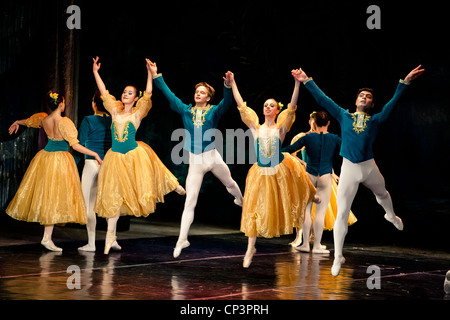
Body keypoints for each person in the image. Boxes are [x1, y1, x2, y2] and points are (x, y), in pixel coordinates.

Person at [293, 65, 425, 276]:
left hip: (369, 166)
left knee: (382, 193)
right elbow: (324, 99)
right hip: (349, 169)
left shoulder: (376, 120)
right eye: (361, 95)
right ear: (355, 101)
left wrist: (405, 82)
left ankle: (390, 216)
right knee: (342, 214)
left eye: (368, 97)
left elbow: (393, 103)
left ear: (372, 104)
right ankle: (337, 257)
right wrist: (306, 80)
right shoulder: (343, 115)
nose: (364, 97)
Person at [92, 57, 185, 254]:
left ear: (135, 98)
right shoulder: (115, 112)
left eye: (130, 93)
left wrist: (150, 73)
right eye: (124, 92)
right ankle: (110, 237)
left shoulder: (137, 114)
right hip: (115, 159)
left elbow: (148, 93)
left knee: (151, 166)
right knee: (113, 198)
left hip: (133, 156)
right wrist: (95, 72)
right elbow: (103, 92)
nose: (125, 94)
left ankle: (173, 184)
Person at [150, 61, 243, 258]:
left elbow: (227, 102)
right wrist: (157, 76)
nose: (198, 94)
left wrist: (228, 85)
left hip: (213, 157)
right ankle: (182, 238)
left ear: (208, 98)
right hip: (196, 163)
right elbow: (170, 95)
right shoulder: (186, 110)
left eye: (202, 92)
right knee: (190, 201)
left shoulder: (213, 111)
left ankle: (241, 200)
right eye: (197, 92)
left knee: (229, 182)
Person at [228, 70, 318, 268]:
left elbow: (292, 106)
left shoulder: (281, 128)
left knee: (292, 195)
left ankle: (310, 196)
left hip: (278, 170)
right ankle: (250, 248)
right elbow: (241, 106)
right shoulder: (256, 128)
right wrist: (233, 83)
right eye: (265, 105)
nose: (268, 107)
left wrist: (297, 84)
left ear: (277, 111)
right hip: (260, 172)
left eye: (272, 106)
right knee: (253, 210)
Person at [6, 91, 102, 252]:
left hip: (45, 158)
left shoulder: (45, 119)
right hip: (60, 160)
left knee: (49, 196)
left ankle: (47, 237)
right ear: (61, 104)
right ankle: (46, 238)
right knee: (54, 197)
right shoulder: (64, 122)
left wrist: (17, 121)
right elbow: (75, 145)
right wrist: (94, 153)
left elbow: (29, 121)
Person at [287, 113, 357, 249]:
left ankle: (313, 238)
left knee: (316, 209)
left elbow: (326, 159)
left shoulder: (326, 137)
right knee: (304, 207)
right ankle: (300, 236)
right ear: (310, 122)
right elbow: (292, 154)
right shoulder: (303, 137)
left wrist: (333, 173)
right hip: (305, 173)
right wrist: (303, 163)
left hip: (321, 174)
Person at [77, 91, 121, 252]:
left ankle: (91, 243)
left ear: (94, 104)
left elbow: (79, 143)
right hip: (109, 164)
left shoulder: (88, 120)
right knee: (111, 203)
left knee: (89, 205)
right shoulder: (113, 121)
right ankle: (112, 239)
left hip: (91, 163)